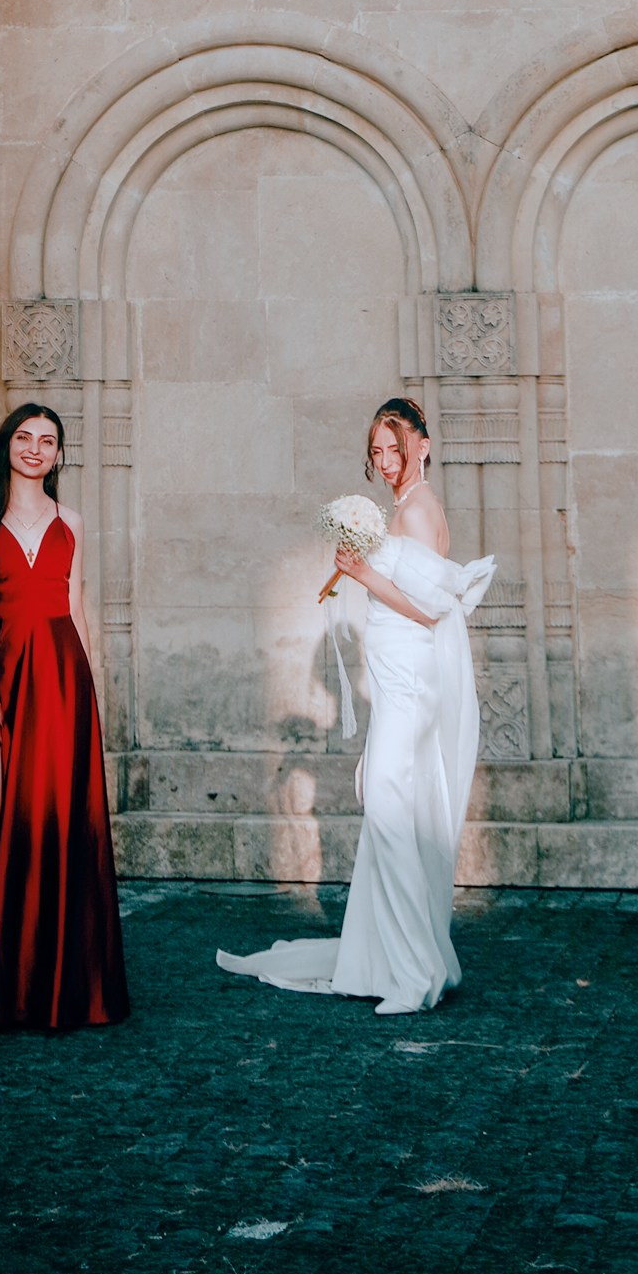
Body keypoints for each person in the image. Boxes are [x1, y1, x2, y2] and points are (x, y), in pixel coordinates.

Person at [217, 396, 496, 1017]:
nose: (386, 460)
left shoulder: (422, 509)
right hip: (395, 678)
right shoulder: (403, 508)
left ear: (422, 444)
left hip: (412, 680)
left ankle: (415, 973)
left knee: (393, 816)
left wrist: (365, 576)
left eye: (395, 448)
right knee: (388, 814)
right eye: (376, 451)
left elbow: (433, 609)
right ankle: (386, 958)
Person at [0, 401, 128, 1031]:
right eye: (25, 437)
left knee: (59, 827)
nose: (35, 449)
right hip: (1, 676)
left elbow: (76, 610)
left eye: (47, 441)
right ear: (7, 446)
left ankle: (56, 984)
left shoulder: (71, 520)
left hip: (62, 682)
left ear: (58, 454)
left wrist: (88, 692)